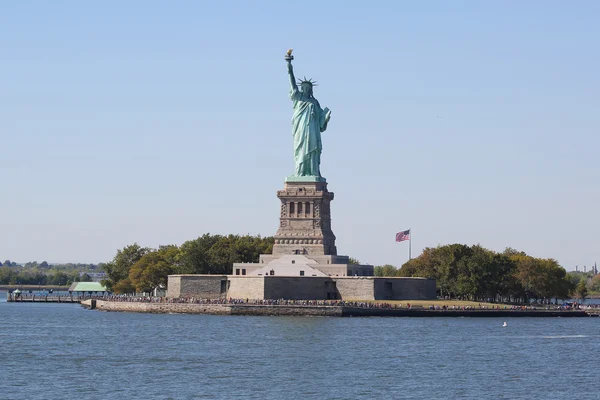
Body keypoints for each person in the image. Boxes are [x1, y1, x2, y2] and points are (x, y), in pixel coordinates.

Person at [286, 58, 331, 177]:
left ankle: (313, 171)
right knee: (301, 149)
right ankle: (300, 172)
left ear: (311, 90)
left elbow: (321, 123)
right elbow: (293, 84)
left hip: (312, 130)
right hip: (301, 130)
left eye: (308, 88)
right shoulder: (298, 98)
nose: (305, 89)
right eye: (304, 88)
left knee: (312, 149)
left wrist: (325, 118)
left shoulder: (315, 102)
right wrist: (290, 68)